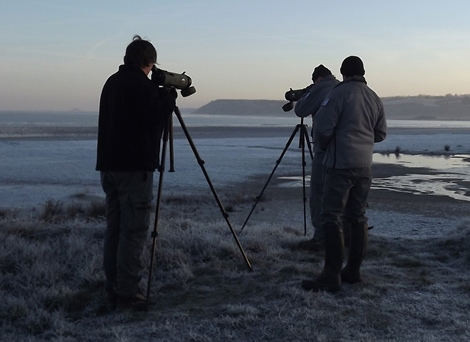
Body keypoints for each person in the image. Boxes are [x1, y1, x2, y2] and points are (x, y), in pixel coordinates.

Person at [96, 35, 176, 310]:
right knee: (134, 231)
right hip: (133, 168)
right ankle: (128, 293)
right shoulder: (141, 85)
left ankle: (113, 288)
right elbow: (154, 119)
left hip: (109, 166)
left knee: (115, 229)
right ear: (149, 62)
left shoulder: (112, 82)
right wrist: (166, 99)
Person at [302, 56, 387, 292]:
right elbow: (380, 133)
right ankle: (353, 270)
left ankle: (331, 274)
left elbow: (323, 129)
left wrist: (329, 144)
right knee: (357, 216)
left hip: (340, 165)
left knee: (331, 216)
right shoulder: (373, 96)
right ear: (362, 71)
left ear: (343, 72)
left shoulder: (338, 94)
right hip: (364, 166)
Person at [294, 65, 340, 251]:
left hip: (325, 146)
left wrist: (308, 93)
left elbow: (301, 110)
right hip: (344, 150)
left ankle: (320, 237)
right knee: (339, 193)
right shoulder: (341, 86)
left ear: (318, 79)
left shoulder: (321, 88)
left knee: (318, 191)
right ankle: (342, 235)